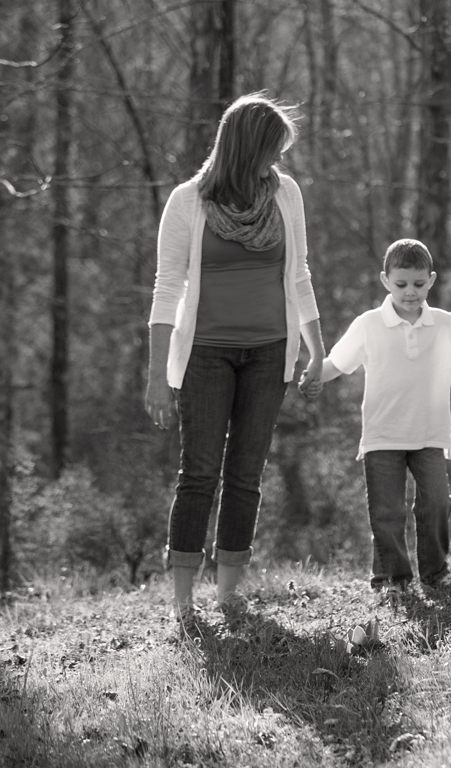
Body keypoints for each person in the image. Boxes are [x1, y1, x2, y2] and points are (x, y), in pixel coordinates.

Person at [144, 93, 326, 627]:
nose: (279, 162)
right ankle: (182, 601)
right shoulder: (189, 201)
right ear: (248, 148)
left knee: (246, 475)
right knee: (199, 473)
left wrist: (317, 351)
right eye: (272, 150)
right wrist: (157, 374)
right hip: (204, 354)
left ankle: (227, 595)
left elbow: (300, 275)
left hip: (270, 352)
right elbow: (165, 287)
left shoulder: (285, 194)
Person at [308, 238, 451, 590]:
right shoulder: (368, 324)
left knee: (434, 504)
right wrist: (310, 377)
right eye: (401, 284)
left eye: (418, 284)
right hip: (382, 436)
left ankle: (435, 574)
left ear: (430, 280)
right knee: (387, 513)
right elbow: (336, 364)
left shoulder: (445, 324)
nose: (410, 292)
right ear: (385, 280)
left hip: (429, 435)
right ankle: (392, 578)